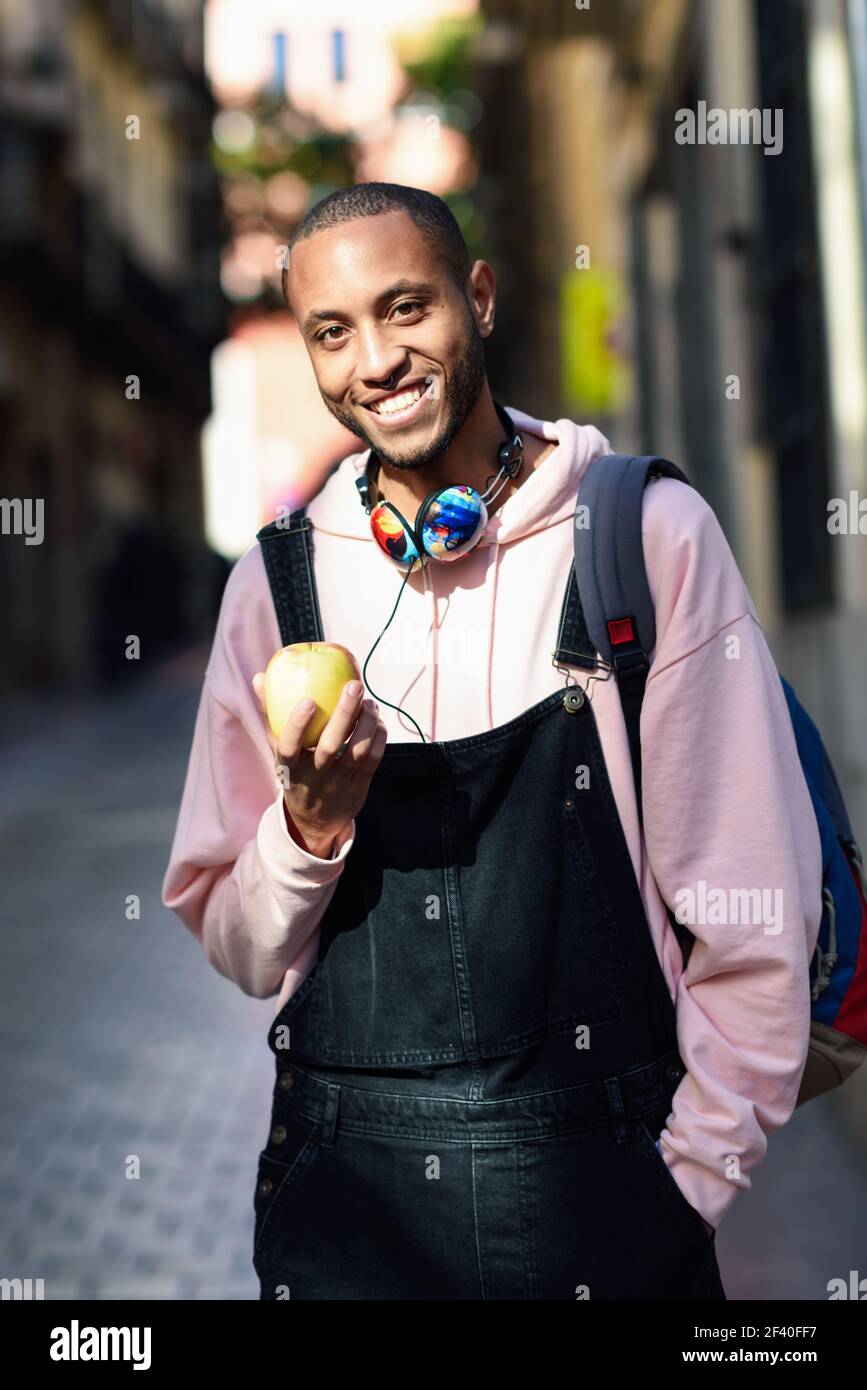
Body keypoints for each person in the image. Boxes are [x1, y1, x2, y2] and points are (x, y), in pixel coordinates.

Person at [161, 182, 822, 1301]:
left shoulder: (641, 537)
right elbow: (240, 947)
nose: (374, 359)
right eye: (332, 331)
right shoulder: (273, 589)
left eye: (406, 307)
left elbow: (755, 909)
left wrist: (683, 1189)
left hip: (607, 1211)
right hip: (349, 1216)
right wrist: (310, 828)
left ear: (478, 298)